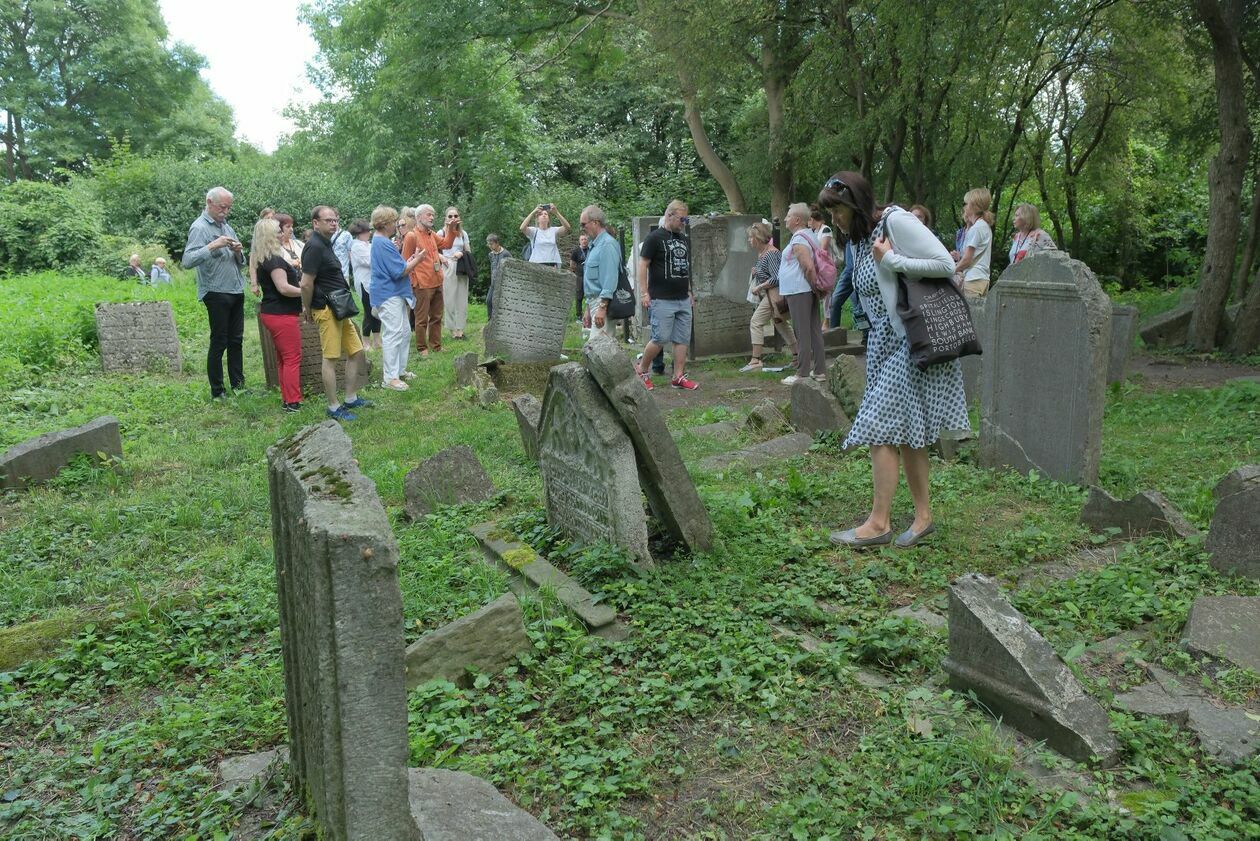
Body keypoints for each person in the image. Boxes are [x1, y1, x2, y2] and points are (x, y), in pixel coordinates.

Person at [819, 171, 968, 549]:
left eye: (837, 210)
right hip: (883, 341)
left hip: (911, 337)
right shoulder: (857, 238)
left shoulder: (895, 221)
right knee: (907, 430)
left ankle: (878, 523)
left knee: (880, 424)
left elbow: (945, 265)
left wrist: (893, 259)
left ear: (854, 203)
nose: (833, 218)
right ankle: (923, 518)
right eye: (830, 212)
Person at [300, 205, 371, 421]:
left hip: (339, 307)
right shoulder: (313, 247)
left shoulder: (326, 243)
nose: (333, 223)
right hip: (325, 308)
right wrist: (308, 308)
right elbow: (305, 284)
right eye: (328, 220)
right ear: (316, 223)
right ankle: (333, 407)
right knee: (330, 357)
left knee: (355, 350)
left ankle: (350, 398)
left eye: (335, 220)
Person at [182, 186, 246, 399]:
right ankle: (217, 391)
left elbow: (241, 262)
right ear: (209, 202)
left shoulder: (227, 227)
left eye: (228, 208)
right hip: (216, 292)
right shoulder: (199, 228)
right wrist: (212, 246)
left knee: (236, 341)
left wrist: (238, 252)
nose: (225, 211)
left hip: (236, 289)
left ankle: (239, 386)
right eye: (222, 207)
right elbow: (187, 261)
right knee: (219, 341)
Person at [632, 200, 698, 390]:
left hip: (683, 298)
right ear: (670, 215)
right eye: (681, 218)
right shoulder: (654, 238)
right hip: (661, 298)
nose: (684, 222)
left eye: (686, 218)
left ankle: (678, 376)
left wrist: (689, 291)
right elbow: (643, 265)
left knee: (682, 339)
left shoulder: (684, 239)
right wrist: (644, 293)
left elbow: (684, 268)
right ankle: (642, 369)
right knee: (660, 338)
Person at [249, 218, 304, 413]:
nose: (282, 234)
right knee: (292, 358)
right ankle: (293, 402)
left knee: (284, 359)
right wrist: (307, 291)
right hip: (282, 314)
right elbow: (284, 288)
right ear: (271, 236)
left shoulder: (263, 258)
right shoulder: (275, 260)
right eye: (278, 232)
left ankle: (287, 399)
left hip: (272, 313)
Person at [369, 206, 425, 391]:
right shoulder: (382, 243)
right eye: (393, 222)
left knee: (404, 332)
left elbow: (398, 266)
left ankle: (399, 370)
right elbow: (399, 271)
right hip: (388, 294)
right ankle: (390, 378)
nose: (396, 225)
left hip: (394, 293)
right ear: (385, 224)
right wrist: (418, 260)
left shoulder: (381, 241)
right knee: (393, 334)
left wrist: (410, 260)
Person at [779, 203, 826, 385]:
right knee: (814, 330)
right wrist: (816, 289)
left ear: (797, 219)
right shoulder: (810, 235)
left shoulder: (799, 238)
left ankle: (802, 372)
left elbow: (807, 265)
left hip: (799, 290)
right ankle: (820, 370)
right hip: (806, 289)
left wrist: (814, 286)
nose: (785, 219)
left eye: (788, 216)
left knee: (802, 332)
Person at [741, 221, 797, 372]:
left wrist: (759, 286)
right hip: (771, 295)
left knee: (756, 322)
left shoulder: (771, 253)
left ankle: (756, 360)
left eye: (750, 237)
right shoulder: (764, 253)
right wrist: (756, 272)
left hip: (774, 294)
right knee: (780, 323)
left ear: (757, 237)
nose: (749, 240)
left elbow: (777, 278)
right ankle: (797, 356)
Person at [402, 204, 456, 356]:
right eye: (428, 214)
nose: (432, 217)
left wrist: (451, 229)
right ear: (418, 217)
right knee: (421, 319)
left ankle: (436, 345)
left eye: (433, 214)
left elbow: (447, 244)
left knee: (437, 317)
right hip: (422, 284)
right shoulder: (412, 236)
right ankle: (421, 348)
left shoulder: (431, 234)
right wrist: (414, 281)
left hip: (437, 281)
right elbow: (405, 262)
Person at [579, 205, 621, 337]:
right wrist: (588, 309)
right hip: (594, 302)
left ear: (595, 222)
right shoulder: (594, 245)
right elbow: (591, 280)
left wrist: (602, 307)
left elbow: (610, 278)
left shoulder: (607, 244)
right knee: (595, 350)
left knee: (598, 351)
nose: (582, 228)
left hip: (603, 302)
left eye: (583, 224)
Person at [952, 187, 994, 299]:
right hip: (982, 279)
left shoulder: (976, 228)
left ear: (973, 206)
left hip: (973, 280)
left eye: (965, 203)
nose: (964, 207)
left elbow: (967, 260)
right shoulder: (984, 226)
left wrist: (951, 270)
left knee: (971, 316)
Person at [440, 206, 474, 339]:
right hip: (447, 266)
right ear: (445, 219)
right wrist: (441, 257)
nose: (453, 218)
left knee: (461, 298)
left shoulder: (463, 234)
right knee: (449, 299)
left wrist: (461, 253)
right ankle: (452, 328)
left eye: (455, 216)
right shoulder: (440, 233)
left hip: (461, 267)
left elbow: (468, 251)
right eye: (450, 216)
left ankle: (460, 329)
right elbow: (433, 252)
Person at [349, 220, 379, 351]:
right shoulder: (356, 246)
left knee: (377, 310)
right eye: (366, 231)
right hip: (364, 282)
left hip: (374, 281)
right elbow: (369, 261)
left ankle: (377, 340)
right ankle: (366, 341)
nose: (369, 233)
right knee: (368, 311)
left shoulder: (369, 245)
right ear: (359, 232)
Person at [520, 204, 572, 268]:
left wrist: (556, 213)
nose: (544, 215)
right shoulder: (533, 231)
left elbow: (567, 227)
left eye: (546, 214)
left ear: (549, 219)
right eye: (541, 214)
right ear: (537, 219)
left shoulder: (554, 230)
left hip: (552, 263)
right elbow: (522, 228)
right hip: (536, 263)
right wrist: (533, 212)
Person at [485, 233, 509, 321]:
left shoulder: (506, 254)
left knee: (500, 303)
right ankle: (490, 321)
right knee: (489, 301)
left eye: (491, 244)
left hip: (503, 283)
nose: (489, 246)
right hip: (493, 283)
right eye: (488, 244)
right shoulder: (490, 255)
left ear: (497, 243)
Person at [569, 233, 590, 320]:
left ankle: (590, 314)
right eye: (582, 240)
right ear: (579, 241)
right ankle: (579, 315)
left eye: (585, 239)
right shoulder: (576, 251)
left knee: (590, 295)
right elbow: (572, 264)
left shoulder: (591, 249)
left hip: (589, 276)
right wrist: (576, 271)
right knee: (579, 296)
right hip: (580, 276)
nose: (584, 241)